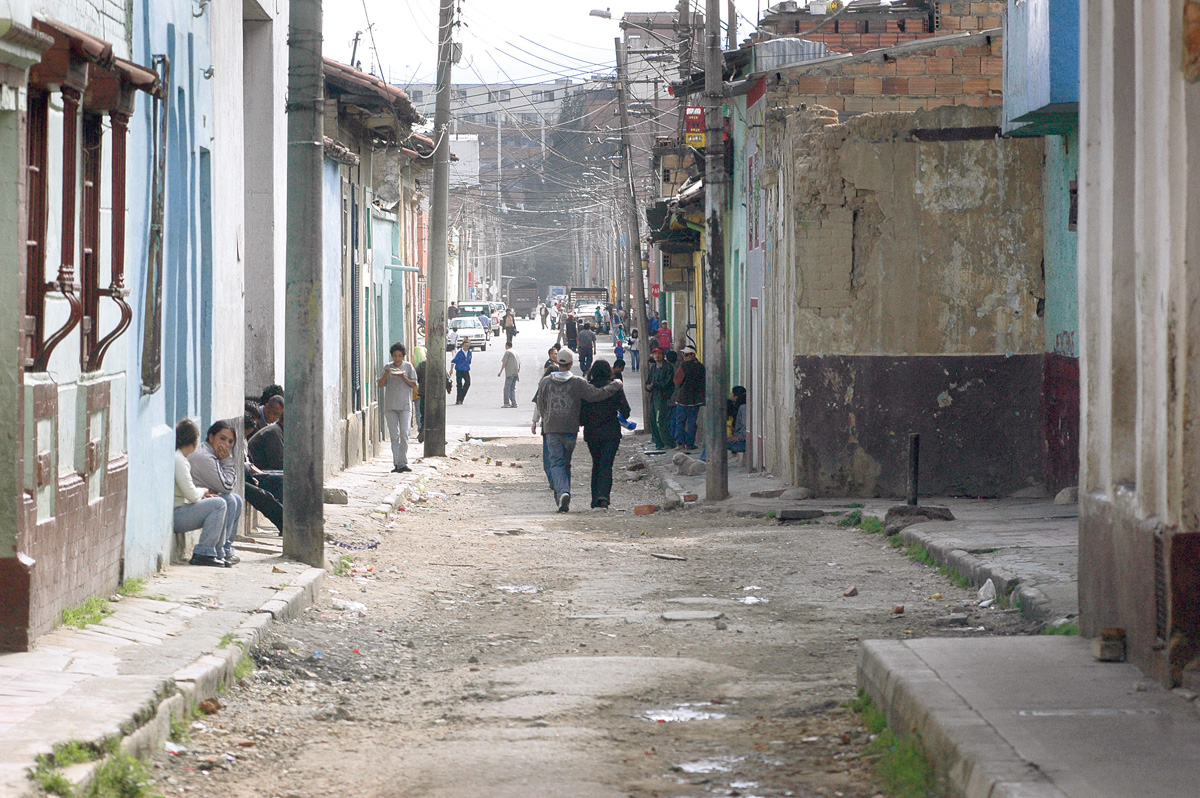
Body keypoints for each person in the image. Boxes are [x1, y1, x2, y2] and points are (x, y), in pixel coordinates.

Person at [531, 347, 624, 513]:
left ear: (557, 362)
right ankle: (563, 494)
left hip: (552, 428)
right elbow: (597, 395)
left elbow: (541, 404)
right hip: (570, 429)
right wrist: (615, 385)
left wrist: (546, 420)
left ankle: (563, 492)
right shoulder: (577, 382)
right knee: (566, 463)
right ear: (572, 363)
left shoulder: (546, 382)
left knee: (556, 463)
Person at [173, 419, 229, 567]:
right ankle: (204, 552)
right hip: (176, 515)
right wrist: (204, 490)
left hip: (181, 510)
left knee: (220, 501)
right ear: (194, 440)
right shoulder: (178, 460)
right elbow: (191, 494)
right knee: (219, 504)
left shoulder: (181, 458)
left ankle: (217, 552)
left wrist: (203, 495)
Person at [188, 420, 243, 566]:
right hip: (186, 507)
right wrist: (227, 460)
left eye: (230, 441)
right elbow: (227, 485)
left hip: (198, 500)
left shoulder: (212, 453)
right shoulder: (205, 457)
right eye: (222, 438)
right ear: (211, 437)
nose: (226, 445)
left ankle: (224, 549)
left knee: (235, 499)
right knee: (228, 499)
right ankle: (207, 551)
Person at [580, 360, 631, 510]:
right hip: (611, 432)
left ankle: (595, 498)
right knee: (606, 464)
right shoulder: (615, 388)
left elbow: (581, 414)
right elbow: (626, 411)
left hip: (592, 433)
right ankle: (603, 497)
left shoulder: (587, 389)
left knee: (596, 463)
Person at [377, 342, 418, 473]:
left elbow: (414, 384)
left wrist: (403, 377)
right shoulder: (387, 367)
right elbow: (380, 384)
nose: (397, 358)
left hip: (405, 405)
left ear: (403, 356)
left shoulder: (408, 367)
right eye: (395, 356)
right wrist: (387, 374)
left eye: (399, 356)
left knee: (405, 434)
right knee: (395, 436)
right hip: (390, 406)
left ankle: (403, 462)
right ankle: (397, 463)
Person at [674, 345, 706, 450]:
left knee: (680, 421)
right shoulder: (701, 367)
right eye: (684, 354)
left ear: (693, 355)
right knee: (692, 422)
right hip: (696, 399)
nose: (685, 357)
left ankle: (680, 442)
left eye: (686, 355)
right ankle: (690, 443)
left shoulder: (684, 366)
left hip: (683, 398)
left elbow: (677, 381)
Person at [645, 347, 676, 450]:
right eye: (655, 354)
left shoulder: (668, 367)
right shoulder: (653, 368)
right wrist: (648, 387)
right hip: (653, 396)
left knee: (660, 420)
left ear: (663, 356)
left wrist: (655, 385)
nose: (657, 355)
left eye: (659, 354)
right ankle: (659, 443)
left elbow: (667, 382)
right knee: (652, 420)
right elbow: (648, 382)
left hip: (662, 397)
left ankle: (668, 442)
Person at [247, 396, 284, 471]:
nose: (275, 418)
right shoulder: (274, 431)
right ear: (267, 407)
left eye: (278, 416)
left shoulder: (275, 429)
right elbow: (276, 463)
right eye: (274, 413)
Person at [498, 340, 521, 408]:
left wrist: (500, 372)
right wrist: (517, 373)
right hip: (515, 372)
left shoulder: (508, 352)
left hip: (509, 372)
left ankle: (506, 402)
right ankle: (514, 403)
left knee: (507, 388)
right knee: (512, 388)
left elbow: (504, 363)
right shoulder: (516, 352)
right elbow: (519, 363)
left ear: (506, 346)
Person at [451, 337, 473, 404]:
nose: (466, 347)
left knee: (467, 383)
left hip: (466, 370)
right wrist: (451, 369)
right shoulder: (459, 353)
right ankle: (458, 400)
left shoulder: (469, 353)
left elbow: (469, 361)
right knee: (459, 385)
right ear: (462, 346)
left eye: (468, 346)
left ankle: (461, 397)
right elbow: (453, 361)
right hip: (459, 370)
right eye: (465, 346)